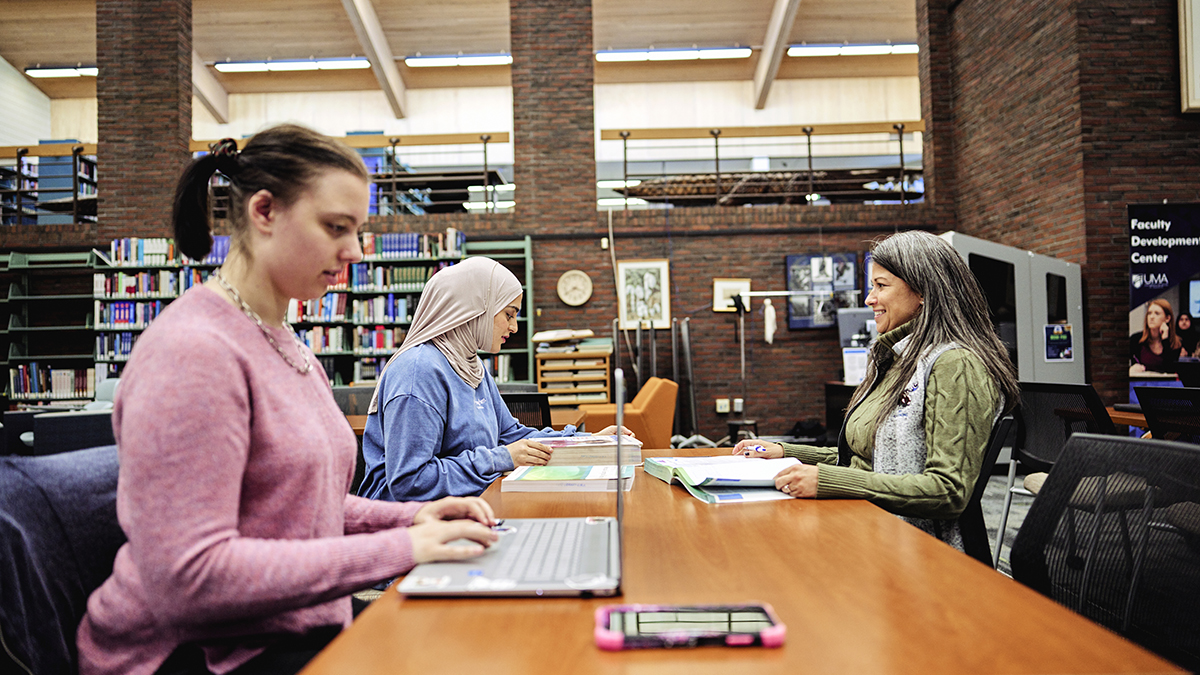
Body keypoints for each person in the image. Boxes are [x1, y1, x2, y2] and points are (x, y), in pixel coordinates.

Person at [77, 125, 499, 675]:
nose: (354, 250)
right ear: (264, 211)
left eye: (358, 230)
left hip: (288, 626)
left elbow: (300, 500)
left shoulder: (284, 342)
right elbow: (192, 576)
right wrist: (404, 549)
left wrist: (413, 518)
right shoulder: (194, 353)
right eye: (334, 227)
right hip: (196, 656)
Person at [733, 230, 1019, 552]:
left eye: (881, 286)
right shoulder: (899, 358)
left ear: (924, 291)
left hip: (922, 552)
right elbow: (869, 458)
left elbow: (947, 491)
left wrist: (827, 481)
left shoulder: (956, 365)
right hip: (874, 526)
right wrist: (787, 452)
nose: (869, 299)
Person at [357, 257, 628, 503]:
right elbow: (409, 482)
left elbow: (512, 435)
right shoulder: (418, 372)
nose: (514, 327)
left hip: (468, 505)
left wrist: (585, 441)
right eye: (509, 314)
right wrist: (501, 458)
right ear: (474, 309)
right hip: (411, 526)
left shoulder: (473, 366)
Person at [1129, 299, 1183, 374]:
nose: (1151, 317)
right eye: (1149, 313)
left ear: (1167, 318)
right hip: (1140, 383)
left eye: (1157, 314)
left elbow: (1170, 370)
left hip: (1163, 384)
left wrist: (1165, 341)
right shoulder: (1136, 339)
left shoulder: (1175, 343)